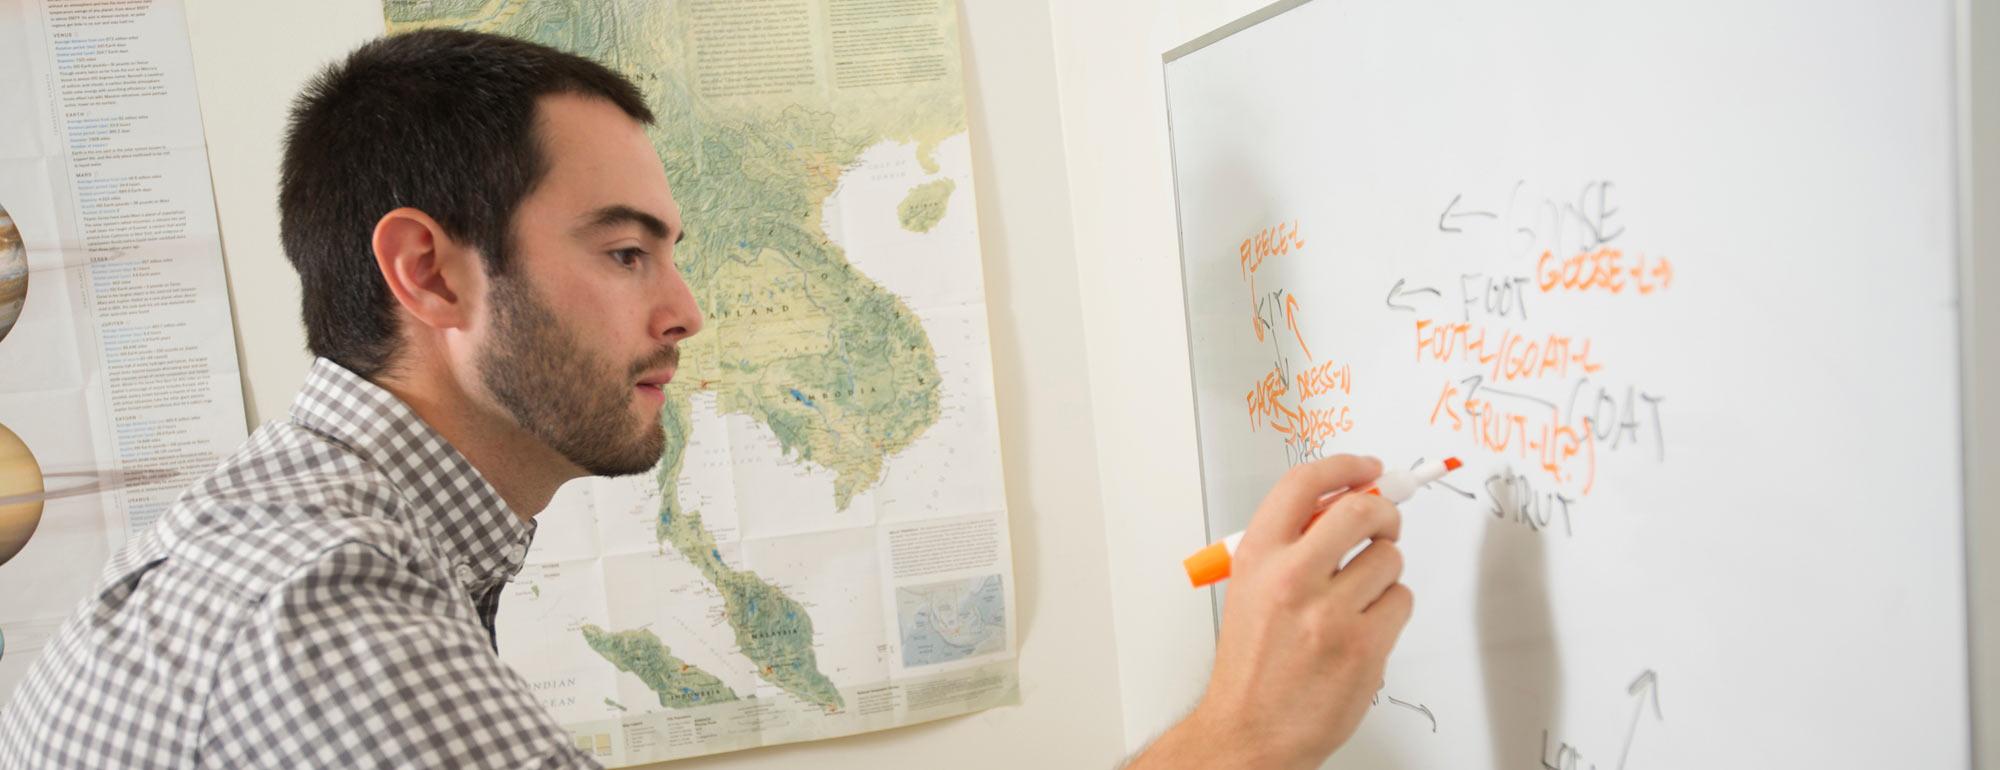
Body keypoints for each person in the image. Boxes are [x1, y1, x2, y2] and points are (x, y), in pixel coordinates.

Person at [0, 29, 1412, 769]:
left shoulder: (282, 531)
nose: (684, 306)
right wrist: (1241, 734)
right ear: (428, 269)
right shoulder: (322, 618)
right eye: (624, 250)